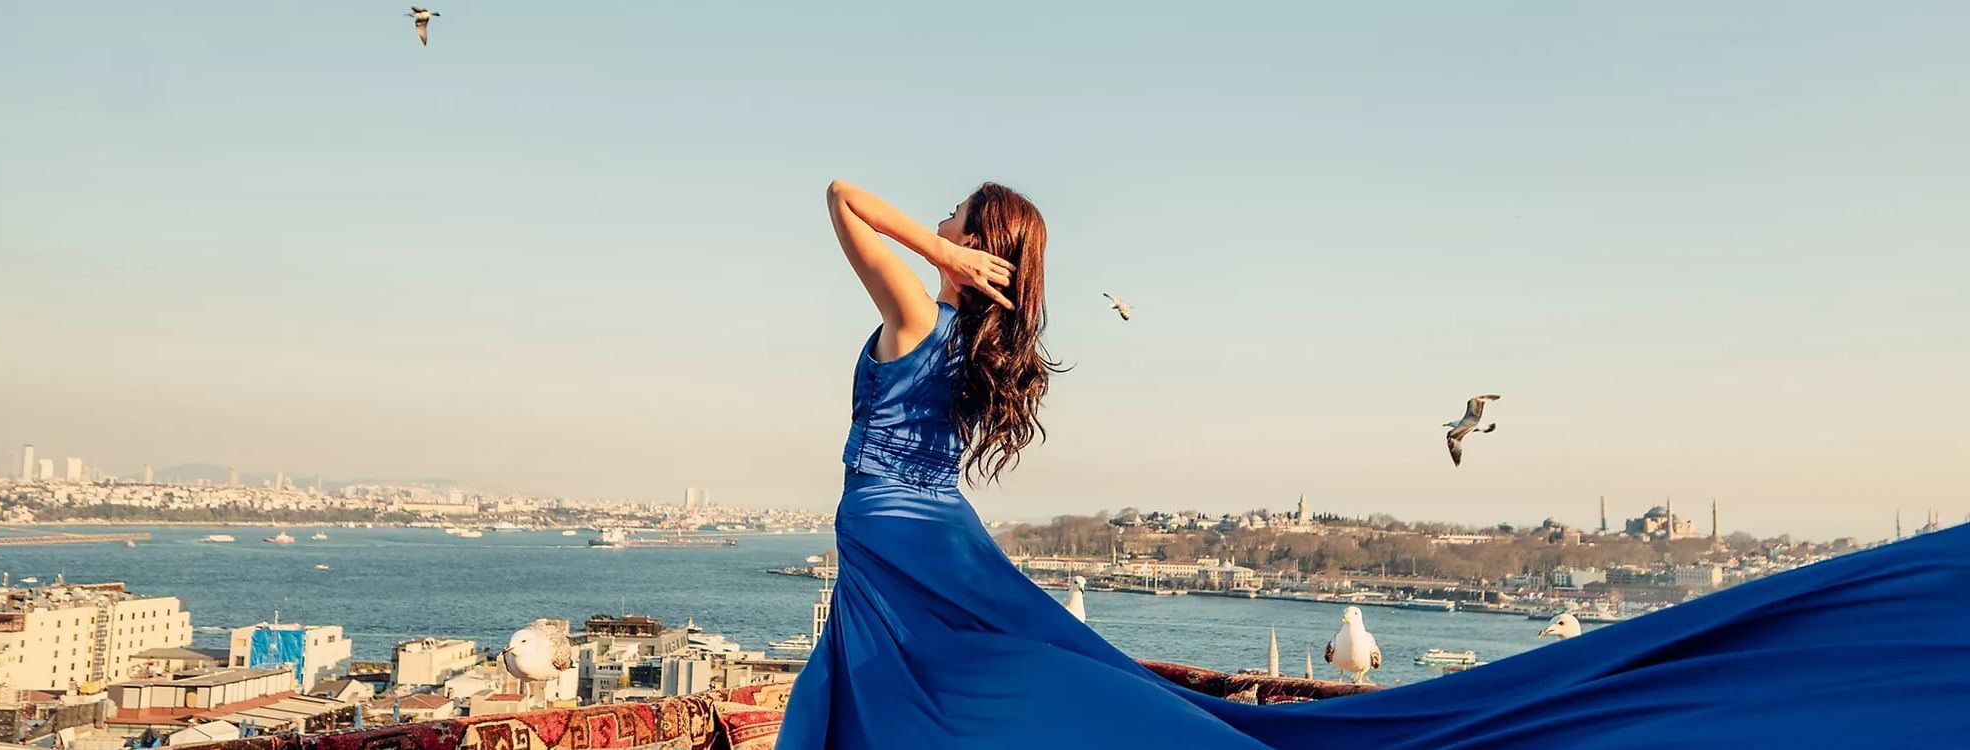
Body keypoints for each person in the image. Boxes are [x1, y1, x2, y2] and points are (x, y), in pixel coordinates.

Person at [774, 181, 1970, 749]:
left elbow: (839, 196)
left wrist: (933, 249)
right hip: (916, 544)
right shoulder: (967, 342)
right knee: (1002, 687)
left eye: (960, 231)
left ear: (977, 250)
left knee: (941, 698)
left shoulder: (919, 316)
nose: (938, 238)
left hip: (902, 544)